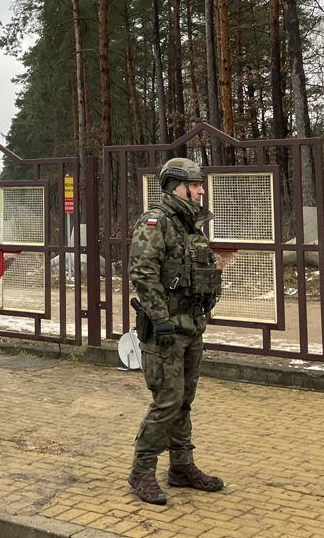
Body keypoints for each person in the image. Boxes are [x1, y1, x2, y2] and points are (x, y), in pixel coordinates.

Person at [126, 157, 225, 505]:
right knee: (166, 402)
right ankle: (142, 471)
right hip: (166, 331)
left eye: (201, 184)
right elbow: (142, 272)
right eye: (195, 184)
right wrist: (160, 318)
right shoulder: (156, 222)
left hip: (192, 327)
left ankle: (181, 467)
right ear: (175, 187)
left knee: (183, 403)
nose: (201, 190)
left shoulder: (189, 226)